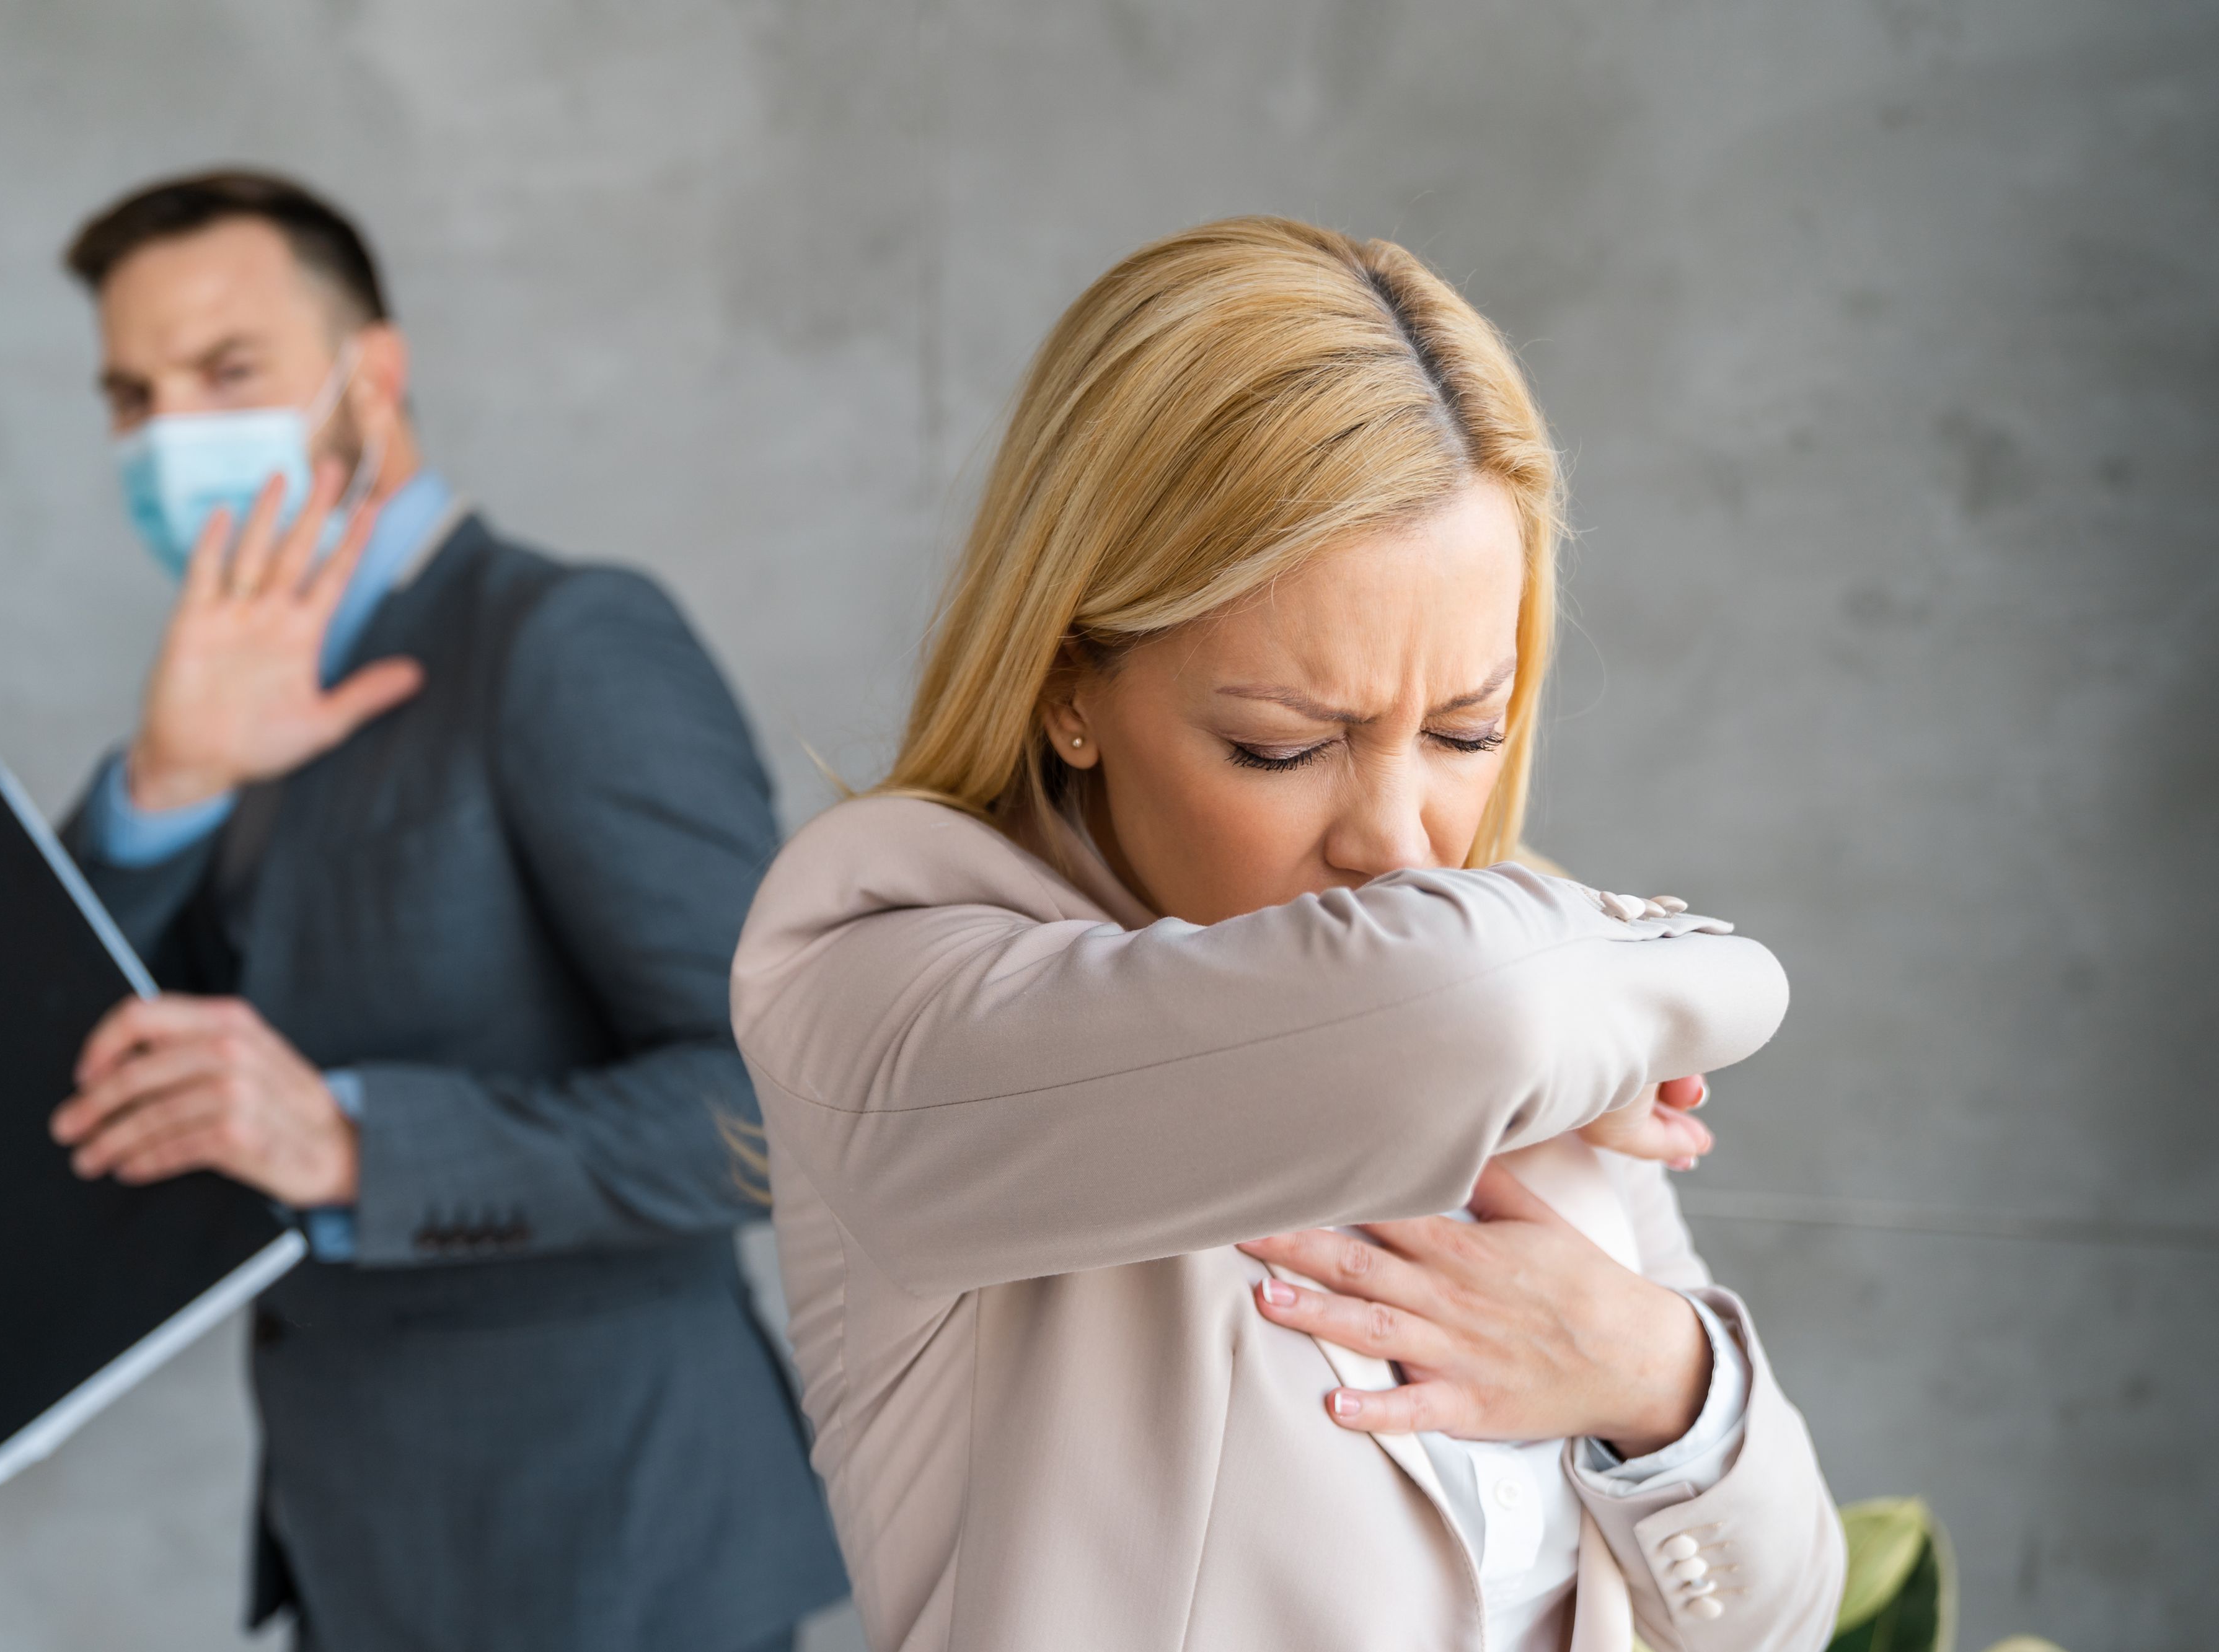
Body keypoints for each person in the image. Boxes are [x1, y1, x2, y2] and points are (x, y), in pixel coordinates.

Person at [731, 217, 1845, 1651]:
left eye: (1462, 732)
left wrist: (1654, 1373)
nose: (1394, 842)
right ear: (1070, 681)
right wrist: (1699, 981)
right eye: (1280, 745)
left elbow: (1788, 1610)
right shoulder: (883, 968)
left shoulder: (1561, 1035)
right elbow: (1464, 1008)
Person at [43, 170, 845, 1652]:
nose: (171, 436)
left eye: (226, 373)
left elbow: (785, 1104)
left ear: (376, 376)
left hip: (617, 1559)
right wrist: (167, 778)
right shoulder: (217, 694)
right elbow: (43, 1056)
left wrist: (352, 1141)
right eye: (132, 395)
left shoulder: (563, 642)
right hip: (362, 1563)